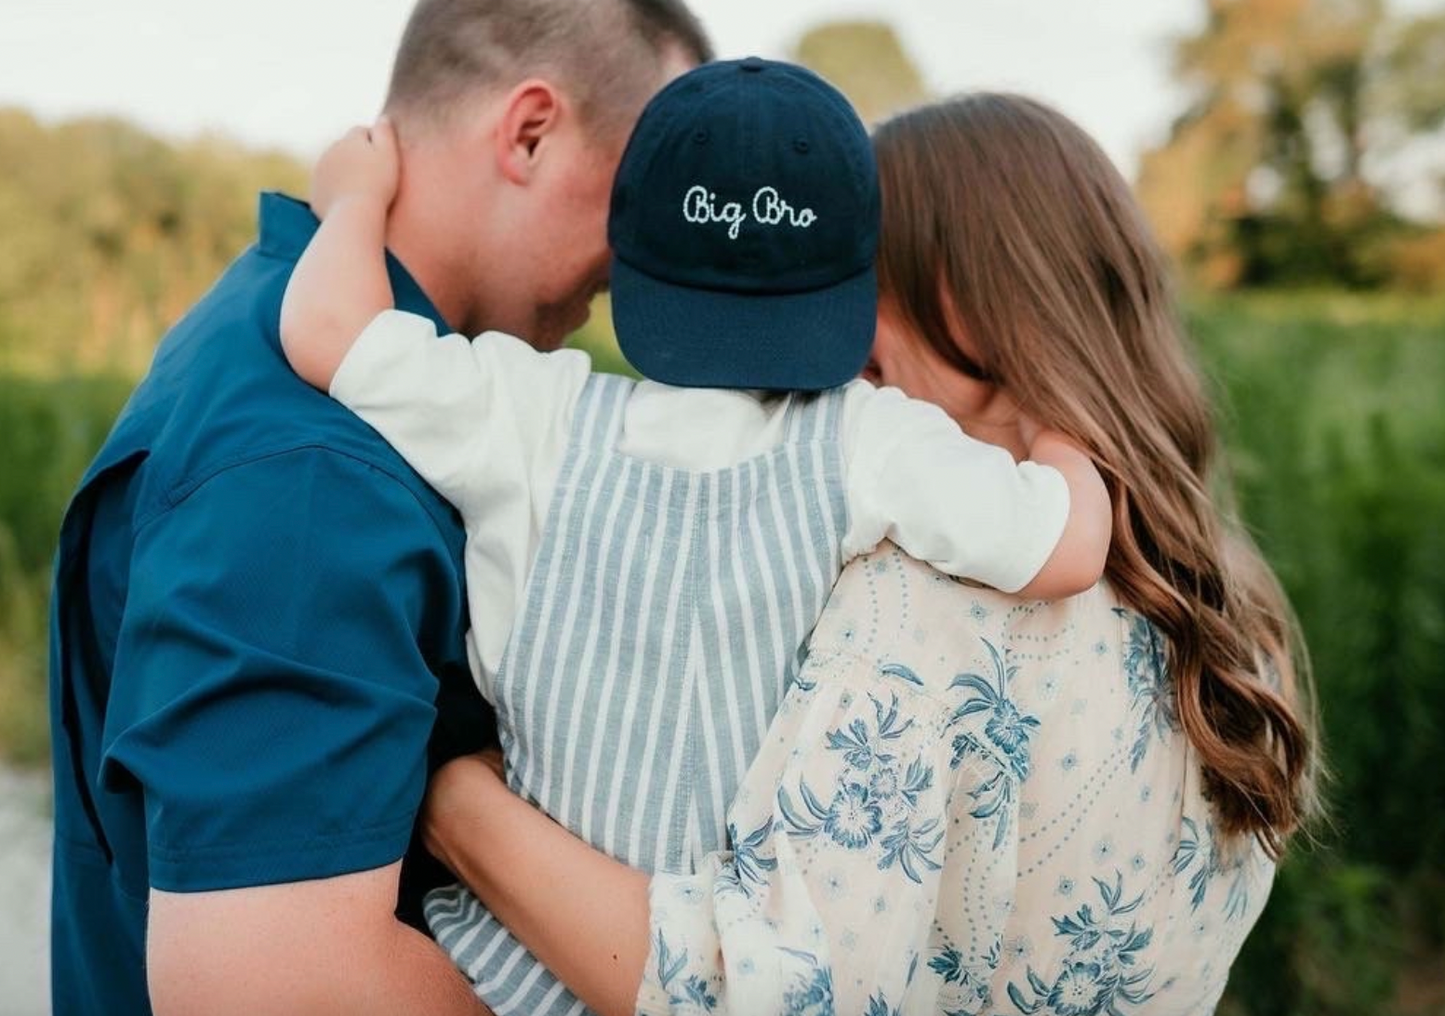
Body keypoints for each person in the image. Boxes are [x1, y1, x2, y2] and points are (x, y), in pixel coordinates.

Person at [418, 93, 1319, 1015]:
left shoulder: (921, 603)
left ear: (958, 299)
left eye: (851, 277)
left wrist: (453, 801)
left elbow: (752, 994)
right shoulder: (1234, 623)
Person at [279, 60, 1113, 1015]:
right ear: (849, 278)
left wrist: (354, 195)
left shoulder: (528, 411)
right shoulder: (868, 441)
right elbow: (1064, 545)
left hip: (505, 964)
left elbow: (328, 329)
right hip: (702, 958)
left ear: (625, 259)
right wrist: (1063, 418)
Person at [46, 0, 710, 1016]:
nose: (642, 259)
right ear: (531, 132)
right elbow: (271, 982)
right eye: (637, 198)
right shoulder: (310, 462)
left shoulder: (295, 328)